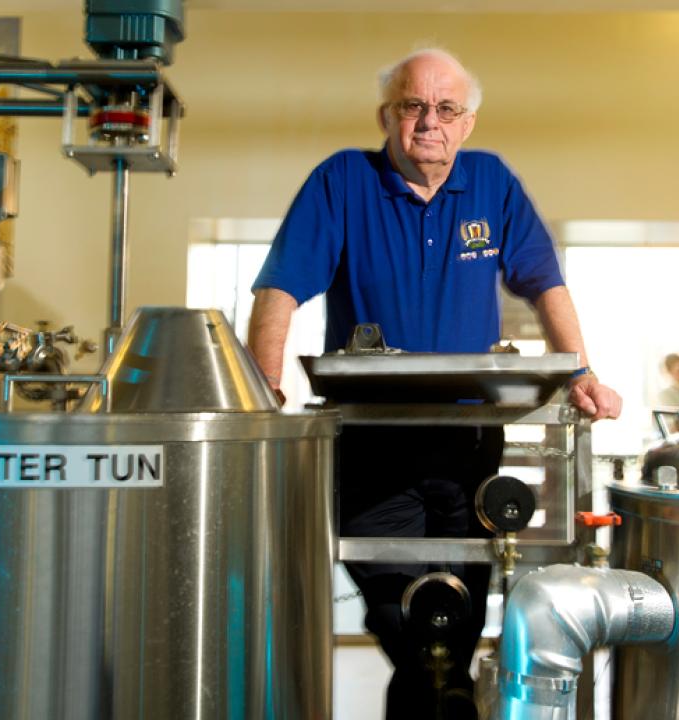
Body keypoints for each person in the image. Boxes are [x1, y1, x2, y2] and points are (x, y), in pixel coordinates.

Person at [247, 48, 621, 719]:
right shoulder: (343, 180)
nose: (429, 121)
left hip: (469, 442)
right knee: (405, 620)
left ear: (467, 122)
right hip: (372, 446)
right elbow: (280, 289)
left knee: (459, 614)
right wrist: (260, 388)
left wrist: (583, 373)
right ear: (387, 115)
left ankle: (438, 702)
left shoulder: (490, 183)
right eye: (413, 106)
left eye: (445, 108)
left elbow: (545, 282)